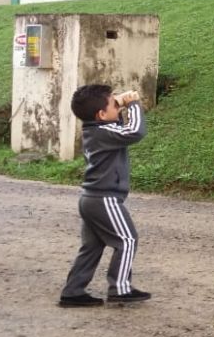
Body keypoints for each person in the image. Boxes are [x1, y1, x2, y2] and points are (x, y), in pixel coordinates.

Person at [58, 85, 150, 307]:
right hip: (104, 199)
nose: (117, 107)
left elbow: (116, 125)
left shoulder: (96, 130)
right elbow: (134, 132)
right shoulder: (102, 133)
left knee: (91, 247)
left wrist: (117, 104)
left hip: (91, 199)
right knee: (127, 240)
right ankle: (120, 288)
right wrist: (133, 104)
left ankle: (73, 292)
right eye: (113, 105)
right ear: (101, 114)